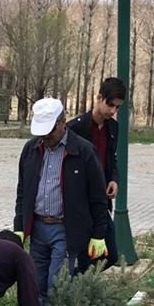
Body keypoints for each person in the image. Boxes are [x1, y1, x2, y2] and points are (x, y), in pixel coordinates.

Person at [13, 97, 108, 306]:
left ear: (62, 121)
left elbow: (98, 197)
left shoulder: (83, 151)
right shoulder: (31, 150)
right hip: (37, 228)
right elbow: (23, 190)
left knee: (57, 284)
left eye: (50, 131)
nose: (46, 136)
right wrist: (19, 225)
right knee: (36, 283)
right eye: (41, 132)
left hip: (66, 229)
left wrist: (99, 234)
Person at [67, 77, 127, 270]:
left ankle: (78, 288)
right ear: (99, 98)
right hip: (80, 203)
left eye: (118, 108)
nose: (113, 111)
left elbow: (112, 158)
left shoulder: (113, 128)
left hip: (101, 202)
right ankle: (70, 290)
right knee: (86, 257)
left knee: (111, 255)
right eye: (110, 105)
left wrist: (114, 180)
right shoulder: (75, 128)